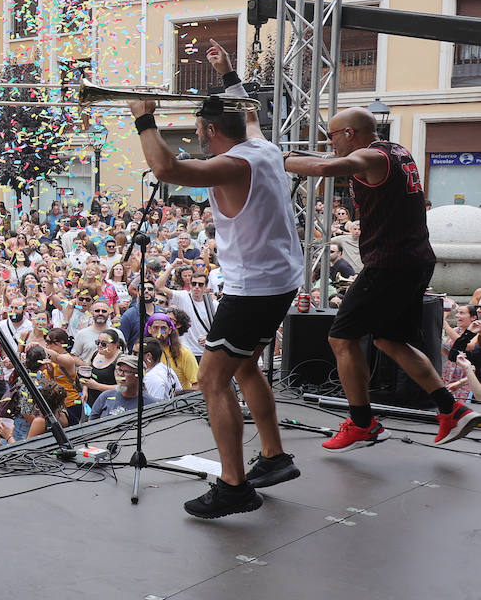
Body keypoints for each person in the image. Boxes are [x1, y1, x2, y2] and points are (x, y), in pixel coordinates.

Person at [129, 54, 303, 519]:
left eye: (199, 130)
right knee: (245, 368)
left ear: (208, 132)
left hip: (254, 289)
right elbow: (248, 113)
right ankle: (273, 456)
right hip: (279, 280)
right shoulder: (264, 147)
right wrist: (227, 75)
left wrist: (145, 118)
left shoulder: (233, 164)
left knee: (211, 378)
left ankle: (233, 485)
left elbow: (166, 170)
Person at [285, 107, 481, 449]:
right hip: (416, 260)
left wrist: (279, 159)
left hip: (390, 263)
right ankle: (451, 410)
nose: (329, 144)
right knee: (389, 341)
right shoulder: (397, 150)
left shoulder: (371, 157)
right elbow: (326, 158)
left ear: (349, 134)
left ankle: (363, 424)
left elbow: (324, 167)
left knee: (341, 338)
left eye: (331, 136)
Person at [89, 354, 154, 420]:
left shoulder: (150, 404)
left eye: (126, 371)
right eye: (118, 370)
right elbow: (90, 425)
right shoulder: (105, 397)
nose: (120, 374)